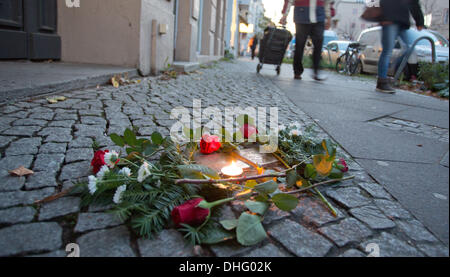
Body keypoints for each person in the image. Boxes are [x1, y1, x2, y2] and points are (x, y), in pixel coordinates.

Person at [376, 0, 424, 93]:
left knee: (409, 49)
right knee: (387, 51)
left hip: (402, 22)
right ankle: (382, 81)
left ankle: (392, 70)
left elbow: (414, 3)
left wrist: (419, 21)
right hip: (389, 20)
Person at [280, 0, 332, 81]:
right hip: (302, 15)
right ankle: (297, 71)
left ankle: (316, 71)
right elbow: (289, 1)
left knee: (318, 44)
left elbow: (327, 2)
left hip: (318, 16)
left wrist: (328, 17)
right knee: (299, 45)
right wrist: (284, 15)